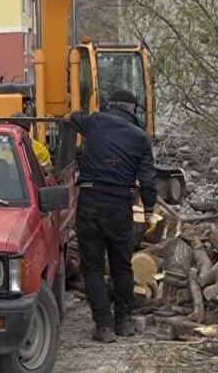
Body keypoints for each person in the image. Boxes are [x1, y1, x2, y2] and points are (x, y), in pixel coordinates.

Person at [66, 89, 157, 343]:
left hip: (90, 201)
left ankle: (103, 327)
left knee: (93, 268)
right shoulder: (140, 138)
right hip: (119, 206)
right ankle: (124, 322)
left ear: (110, 106)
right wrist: (149, 210)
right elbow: (148, 181)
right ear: (133, 110)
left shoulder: (94, 122)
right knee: (122, 265)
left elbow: (72, 118)